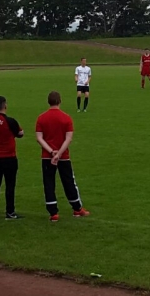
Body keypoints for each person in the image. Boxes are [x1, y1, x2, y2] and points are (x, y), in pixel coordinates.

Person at [35, 91, 90, 222]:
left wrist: (51, 152)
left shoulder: (41, 118)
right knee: (69, 181)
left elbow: (39, 138)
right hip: (63, 156)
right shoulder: (66, 118)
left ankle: (53, 212)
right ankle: (77, 208)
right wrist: (59, 153)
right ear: (60, 101)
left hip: (47, 156)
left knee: (49, 183)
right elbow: (68, 138)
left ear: (48, 102)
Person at [0, 96, 23, 220]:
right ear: (5, 105)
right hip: (9, 157)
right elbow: (20, 134)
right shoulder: (10, 121)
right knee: (10, 185)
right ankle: (10, 212)